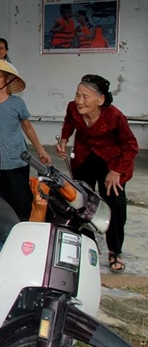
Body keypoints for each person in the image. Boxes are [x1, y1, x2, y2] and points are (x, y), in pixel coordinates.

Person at [56, 75, 138, 273]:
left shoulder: (114, 116)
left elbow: (131, 146)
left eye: (85, 96)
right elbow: (69, 121)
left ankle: (115, 251)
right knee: (79, 201)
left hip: (111, 162)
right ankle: (85, 244)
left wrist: (116, 170)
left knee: (115, 203)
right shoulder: (73, 108)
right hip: (84, 157)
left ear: (100, 100)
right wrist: (65, 139)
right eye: (77, 95)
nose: (79, 101)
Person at [0, 60, 51, 221]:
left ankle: (20, 233)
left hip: (15, 160)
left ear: (7, 80)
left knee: (20, 200)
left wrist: (41, 151)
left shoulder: (17, 103)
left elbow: (28, 128)